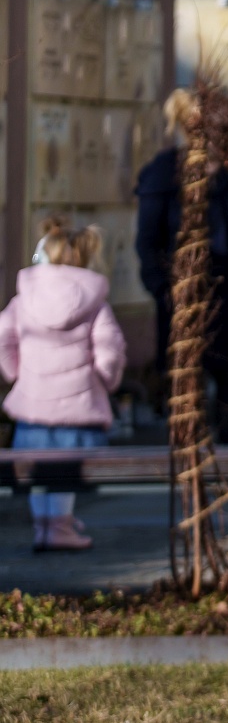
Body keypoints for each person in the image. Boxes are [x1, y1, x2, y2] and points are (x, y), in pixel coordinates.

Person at [135, 91, 228, 441]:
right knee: (186, 381)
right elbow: (148, 240)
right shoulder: (165, 173)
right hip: (183, 295)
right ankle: (192, 448)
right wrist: (163, 289)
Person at [0, 217, 128, 553]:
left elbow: (3, 337)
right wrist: (104, 381)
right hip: (78, 404)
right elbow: (109, 349)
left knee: (35, 466)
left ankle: (44, 526)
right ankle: (60, 525)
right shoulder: (94, 303)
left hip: (33, 402)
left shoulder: (23, 300)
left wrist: (15, 373)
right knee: (66, 469)